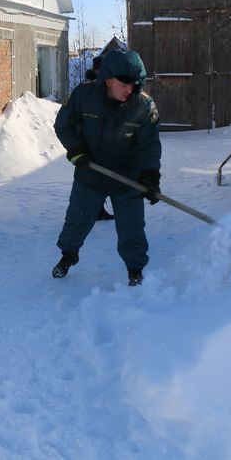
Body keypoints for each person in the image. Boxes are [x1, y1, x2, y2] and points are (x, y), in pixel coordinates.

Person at [52, 50, 162, 286]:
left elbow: (149, 145)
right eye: (124, 84)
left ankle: (135, 270)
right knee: (77, 220)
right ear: (108, 79)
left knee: (132, 228)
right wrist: (76, 150)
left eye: (134, 84)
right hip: (90, 173)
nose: (129, 90)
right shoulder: (84, 94)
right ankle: (68, 256)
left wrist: (150, 175)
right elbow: (64, 125)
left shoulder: (143, 105)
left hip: (127, 178)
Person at [82, 55, 115, 221]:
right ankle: (92, 210)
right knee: (93, 179)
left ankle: (98, 209)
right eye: (100, 69)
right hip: (90, 142)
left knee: (104, 178)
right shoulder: (87, 89)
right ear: (96, 70)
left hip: (105, 142)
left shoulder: (107, 87)